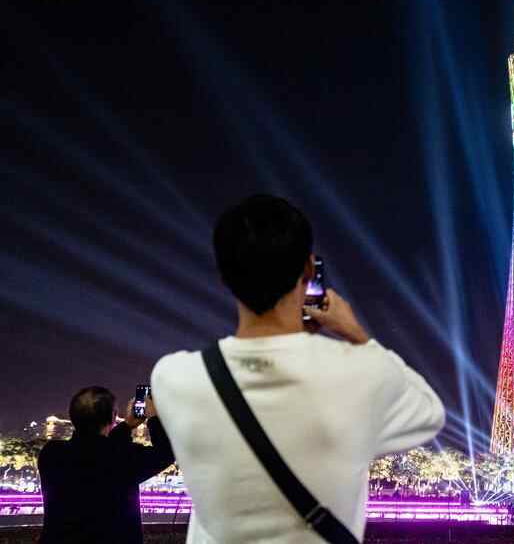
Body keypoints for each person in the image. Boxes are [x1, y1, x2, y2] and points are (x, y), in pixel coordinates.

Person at [152, 194, 445, 543]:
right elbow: (429, 412)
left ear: (223, 278)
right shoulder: (360, 374)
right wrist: (358, 335)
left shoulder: (174, 378)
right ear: (308, 270)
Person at [37, 386, 175, 543]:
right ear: (113, 417)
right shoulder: (123, 457)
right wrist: (153, 417)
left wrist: (126, 426)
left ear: (72, 416)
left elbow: (98, 450)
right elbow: (166, 452)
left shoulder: (51, 454)